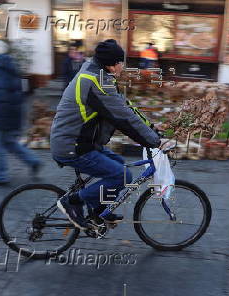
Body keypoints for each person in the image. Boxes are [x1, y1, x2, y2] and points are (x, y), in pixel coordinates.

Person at [50, 39, 160, 229]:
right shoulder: (95, 81)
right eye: (121, 62)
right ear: (112, 64)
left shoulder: (98, 75)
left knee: (118, 164)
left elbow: (125, 106)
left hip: (80, 142)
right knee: (122, 175)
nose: (123, 66)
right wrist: (154, 141)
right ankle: (73, 202)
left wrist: (151, 128)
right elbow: (123, 118)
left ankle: (99, 210)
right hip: (73, 146)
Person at [0, 39, 41, 186]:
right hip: (10, 113)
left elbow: (0, 97)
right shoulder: (7, 65)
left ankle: (0, 176)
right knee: (10, 143)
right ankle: (33, 161)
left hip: (1, 115)